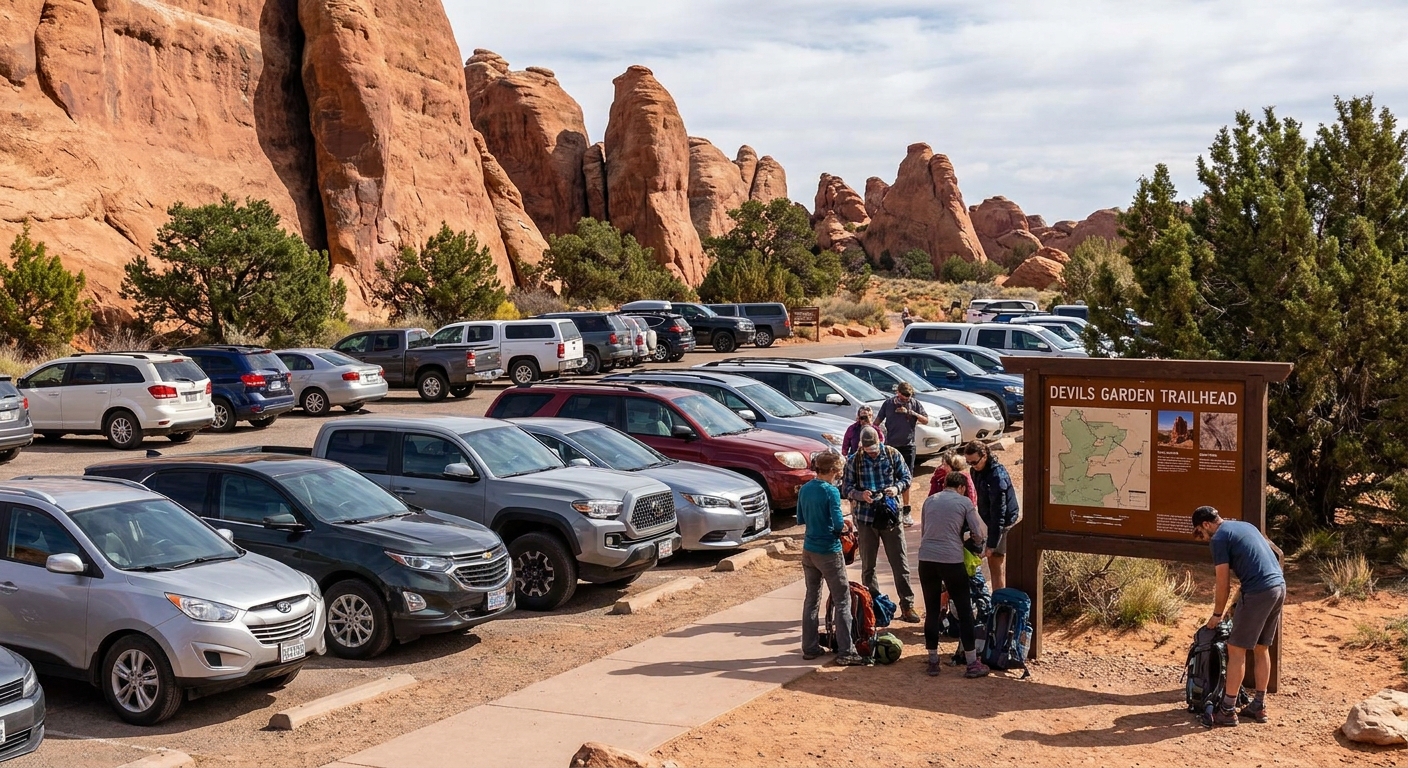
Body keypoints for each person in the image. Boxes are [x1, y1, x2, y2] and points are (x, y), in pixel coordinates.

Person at [1192, 506, 1285, 727]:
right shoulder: (1244, 526)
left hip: (1258, 592)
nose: (1202, 538)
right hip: (1278, 587)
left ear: (1206, 524)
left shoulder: (1219, 539)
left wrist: (1217, 615)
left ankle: (1227, 710)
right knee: (1262, 648)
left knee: (1236, 650)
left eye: (1199, 532)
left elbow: (1222, 582)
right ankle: (1259, 706)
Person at [844, 426, 920, 623]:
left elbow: (906, 478)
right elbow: (846, 488)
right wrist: (861, 495)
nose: (871, 452)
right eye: (868, 449)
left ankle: (907, 605)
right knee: (868, 566)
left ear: (880, 441)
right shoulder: (854, 460)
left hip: (890, 517)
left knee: (900, 562)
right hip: (866, 518)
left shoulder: (893, 454)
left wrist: (896, 489)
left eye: (874, 448)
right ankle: (874, 606)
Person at [918, 471, 990, 678]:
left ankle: (933, 660)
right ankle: (971, 663)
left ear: (944, 485)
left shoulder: (929, 501)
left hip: (927, 559)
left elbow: (925, 531)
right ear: (961, 488)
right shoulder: (965, 502)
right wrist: (975, 544)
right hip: (952, 559)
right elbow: (979, 532)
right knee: (965, 610)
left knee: (932, 610)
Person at [798, 452, 866, 666]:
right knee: (842, 599)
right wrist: (845, 526)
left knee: (812, 598)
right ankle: (847, 651)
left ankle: (809, 647)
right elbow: (838, 524)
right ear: (835, 471)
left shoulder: (806, 488)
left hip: (809, 548)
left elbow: (801, 517)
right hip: (828, 549)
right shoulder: (831, 492)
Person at [965, 440, 1020, 591]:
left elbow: (999, 512)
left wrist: (992, 543)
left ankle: (999, 601)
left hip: (1003, 521)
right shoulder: (975, 471)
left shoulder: (997, 476)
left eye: (974, 462)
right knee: (992, 562)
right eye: (968, 463)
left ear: (984, 456)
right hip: (987, 518)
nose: (972, 466)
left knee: (995, 561)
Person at [875, 382, 929, 526]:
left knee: (906, 478)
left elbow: (926, 420)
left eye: (908, 397)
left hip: (908, 446)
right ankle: (891, 508)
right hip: (891, 447)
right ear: (897, 392)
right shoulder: (888, 404)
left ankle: (906, 510)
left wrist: (910, 412)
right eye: (903, 396)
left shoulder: (914, 403)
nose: (906, 399)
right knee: (890, 477)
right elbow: (877, 422)